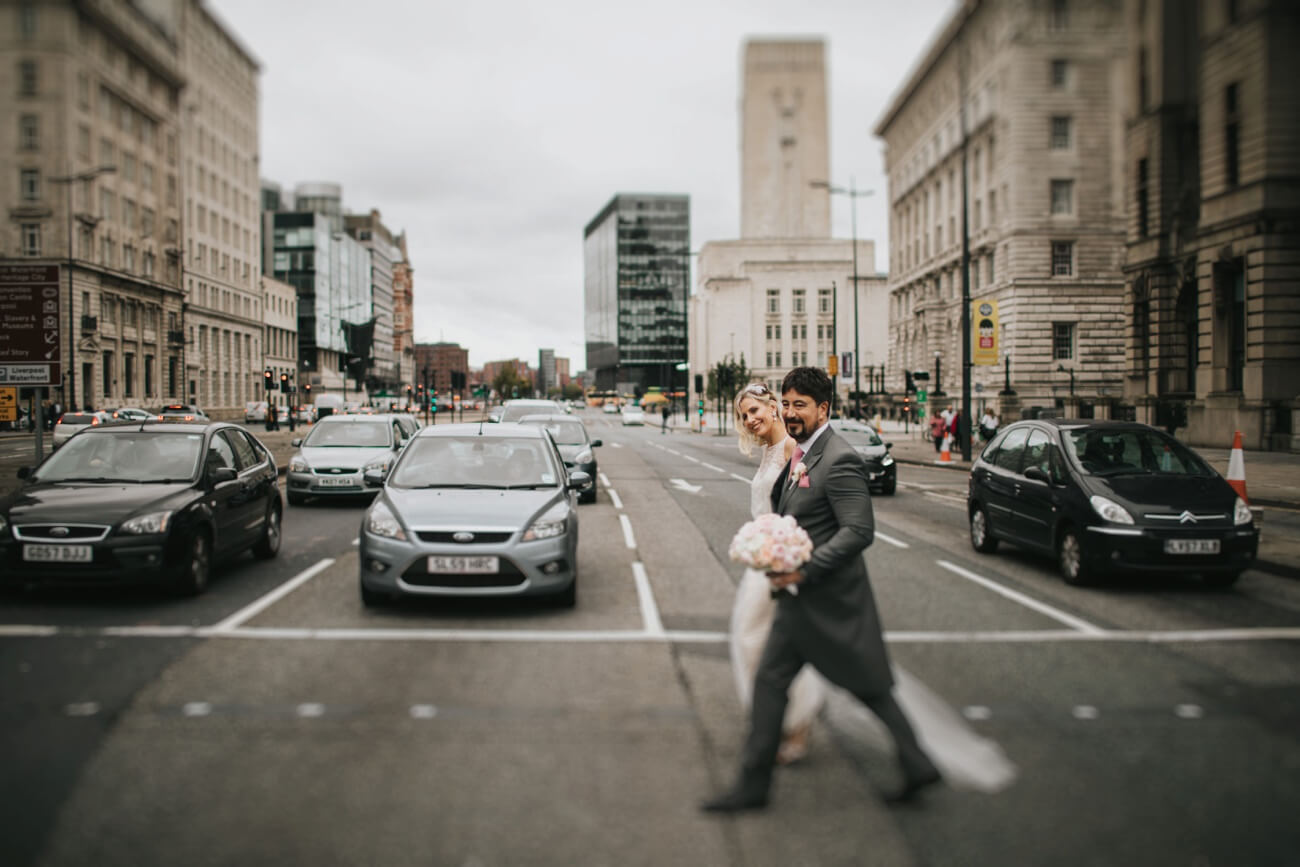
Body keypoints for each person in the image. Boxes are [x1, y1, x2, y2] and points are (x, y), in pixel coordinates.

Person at [703, 367, 939, 813]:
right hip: (797, 602)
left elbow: (859, 532)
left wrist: (803, 570)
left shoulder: (839, 458)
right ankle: (754, 784)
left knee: (872, 688)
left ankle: (917, 763)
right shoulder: (804, 454)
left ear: (823, 408)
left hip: (831, 600)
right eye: (787, 404)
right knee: (770, 683)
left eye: (800, 406)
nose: (790, 414)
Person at [728, 382, 825, 765]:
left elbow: (808, 505)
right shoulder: (769, 452)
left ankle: (797, 725)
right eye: (744, 415)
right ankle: (776, 721)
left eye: (754, 410)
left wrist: (790, 552)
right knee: (754, 643)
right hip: (762, 564)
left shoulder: (792, 450)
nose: (750, 419)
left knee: (773, 644)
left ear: (773, 407)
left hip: (783, 564)